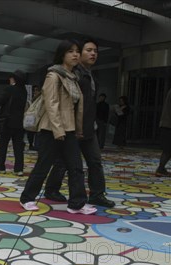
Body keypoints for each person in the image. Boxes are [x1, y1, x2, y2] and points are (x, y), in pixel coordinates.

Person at [19, 39, 96, 215]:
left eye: (77, 51)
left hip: (68, 130)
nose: (75, 54)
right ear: (62, 55)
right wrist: (58, 129)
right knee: (43, 166)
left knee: (76, 167)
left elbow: (76, 108)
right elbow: (51, 104)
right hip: (51, 130)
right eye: (71, 51)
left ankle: (76, 203)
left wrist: (76, 130)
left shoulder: (73, 78)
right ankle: (27, 198)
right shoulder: (53, 76)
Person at [44, 39, 115, 208]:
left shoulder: (90, 75)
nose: (93, 54)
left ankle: (97, 194)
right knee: (65, 162)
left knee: (95, 161)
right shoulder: (71, 74)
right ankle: (52, 189)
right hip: (72, 127)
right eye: (88, 50)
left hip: (89, 127)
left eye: (95, 51)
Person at [26, 85, 41, 151]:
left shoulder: (41, 98)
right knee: (30, 132)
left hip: (39, 118)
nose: (35, 92)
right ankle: (31, 144)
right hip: (32, 118)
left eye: (36, 90)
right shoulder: (31, 100)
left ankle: (37, 145)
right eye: (34, 90)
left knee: (37, 133)